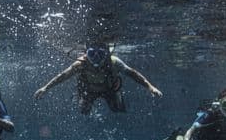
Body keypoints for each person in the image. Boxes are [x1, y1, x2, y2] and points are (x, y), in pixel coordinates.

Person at [33, 42, 162, 114]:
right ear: (86, 54)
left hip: (109, 89)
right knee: (84, 111)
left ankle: (119, 97)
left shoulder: (114, 62)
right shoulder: (80, 64)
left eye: (100, 54)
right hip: (89, 90)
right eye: (91, 54)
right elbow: (63, 76)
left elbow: (133, 74)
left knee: (118, 110)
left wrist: (150, 87)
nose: (96, 58)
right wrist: (46, 87)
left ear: (105, 54)